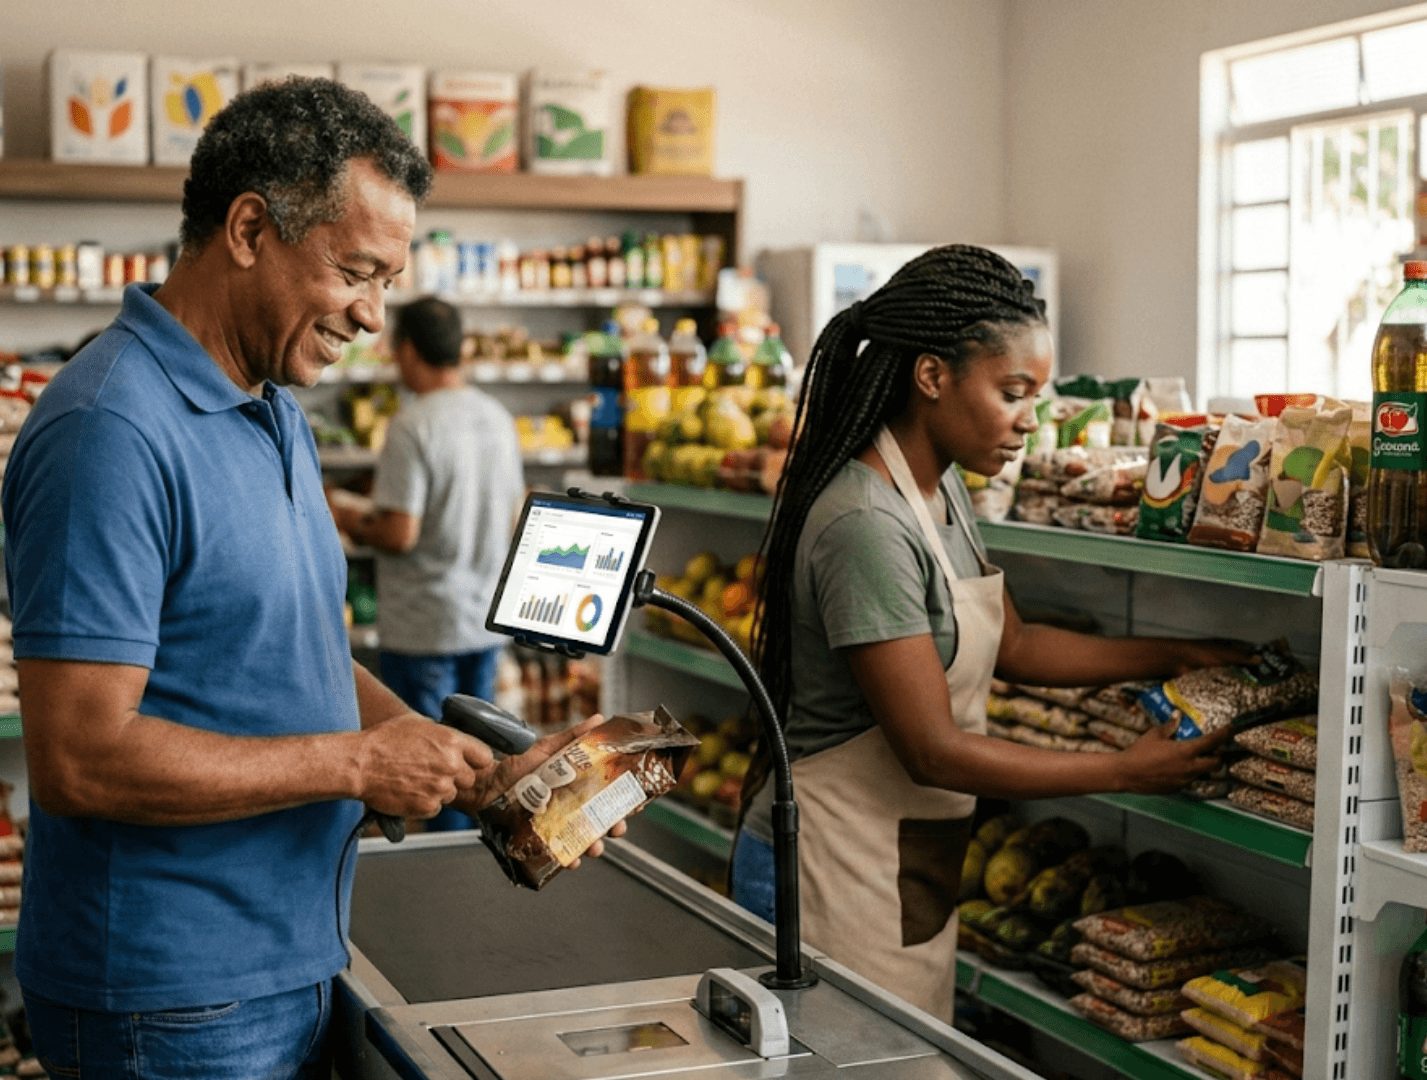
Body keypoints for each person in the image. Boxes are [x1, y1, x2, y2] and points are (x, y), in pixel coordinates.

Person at [1, 78, 618, 1080]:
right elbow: (80, 756)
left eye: (389, 281)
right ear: (250, 229)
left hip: (293, 958)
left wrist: (436, 751)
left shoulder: (274, 405)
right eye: (358, 272)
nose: (376, 315)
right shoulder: (107, 431)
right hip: (168, 1000)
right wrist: (359, 768)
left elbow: (296, 650)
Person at [728, 245, 1240, 1021]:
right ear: (932, 377)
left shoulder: (941, 490)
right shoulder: (867, 524)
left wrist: (1178, 653)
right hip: (825, 870)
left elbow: (1017, 645)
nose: (1029, 422)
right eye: (1013, 393)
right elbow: (931, 749)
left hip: (896, 866)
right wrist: (1122, 771)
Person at [330, 295, 526, 831]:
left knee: (436, 779)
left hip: (423, 627)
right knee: (480, 765)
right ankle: (467, 869)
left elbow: (399, 532)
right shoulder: (497, 417)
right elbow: (514, 517)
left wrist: (342, 515)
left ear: (409, 350)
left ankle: (443, 879)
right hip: (483, 620)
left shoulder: (413, 425)